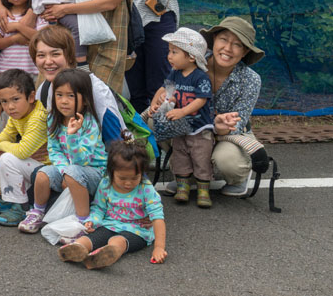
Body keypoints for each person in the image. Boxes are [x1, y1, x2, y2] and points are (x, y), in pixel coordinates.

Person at [173, 17, 266, 198]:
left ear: (245, 51)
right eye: (223, 39)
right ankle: (187, 173)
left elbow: (237, 123)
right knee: (156, 120)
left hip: (228, 134)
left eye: (237, 44)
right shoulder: (189, 65)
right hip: (193, 126)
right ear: (214, 40)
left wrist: (221, 128)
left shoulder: (251, 79)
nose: (228, 49)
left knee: (228, 161)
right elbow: (172, 98)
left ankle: (238, 177)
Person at [57, 132, 167, 269]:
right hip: (109, 224)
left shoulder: (146, 188)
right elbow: (99, 207)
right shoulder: (106, 184)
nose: (128, 183)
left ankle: (103, 256)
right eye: (122, 178)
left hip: (137, 230)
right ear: (112, 171)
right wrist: (93, 220)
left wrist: (159, 247)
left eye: (134, 178)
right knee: (92, 238)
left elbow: (157, 218)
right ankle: (77, 247)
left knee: (118, 241)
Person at [19, 68, 107, 234]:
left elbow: (83, 160)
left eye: (71, 96)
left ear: (85, 99)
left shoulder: (89, 123)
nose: (64, 101)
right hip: (69, 169)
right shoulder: (53, 118)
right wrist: (63, 171)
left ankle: (83, 221)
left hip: (94, 173)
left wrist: (72, 136)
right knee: (43, 174)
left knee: (73, 172)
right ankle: (37, 211)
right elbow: (54, 150)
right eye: (59, 95)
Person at [146, 28, 214, 208]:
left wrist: (182, 111)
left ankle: (203, 190)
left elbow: (201, 99)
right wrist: (158, 103)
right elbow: (167, 91)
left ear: (191, 56)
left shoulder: (200, 77)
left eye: (174, 52)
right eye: (169, 51)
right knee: (180, 155)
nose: (169, 56)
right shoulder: (175, 74)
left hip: (199, 127)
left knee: (201, 157)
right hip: (180, 127)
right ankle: (183, 188)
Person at [0, 69, 49, 227]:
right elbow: (6, 134)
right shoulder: (18, 114)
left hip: (46, 170)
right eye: (4, 102)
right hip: (32, 163)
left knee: (7, 156)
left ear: (31, 97)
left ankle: (21, 207)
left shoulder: (37, 117)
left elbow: (23, 151)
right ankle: (2, 197)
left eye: (15, 99)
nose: (10, 107)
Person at [32, 25, 126, 145]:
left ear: (69, 56)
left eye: (55, 54)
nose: (48, 61)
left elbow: (115, 141)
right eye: (41, 55)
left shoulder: (93, 88)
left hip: (98, 159)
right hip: (61, 158)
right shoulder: (44, 89)